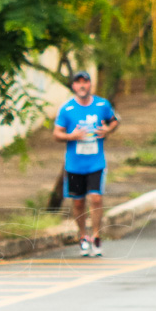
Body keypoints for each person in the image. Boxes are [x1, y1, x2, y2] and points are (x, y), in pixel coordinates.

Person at [52, 70, 120, 257]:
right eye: (78, 82)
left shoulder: (102, 105)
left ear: (90, 84)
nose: (82, 86)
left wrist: (107, 129)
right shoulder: (67, 109)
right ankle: (83, 236)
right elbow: (56, 133)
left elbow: (114, 121)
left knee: (96, 198)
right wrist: (70, 136)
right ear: (73, 86)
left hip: (96, 162)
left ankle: (96, 236)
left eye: (85, 82)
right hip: (74, 164)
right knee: (78, 202)